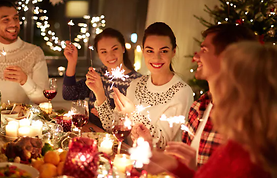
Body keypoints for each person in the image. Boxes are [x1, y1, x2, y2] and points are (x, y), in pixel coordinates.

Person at [146, 41, 276, 178]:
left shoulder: (248, 161)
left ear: (243, 92)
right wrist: (175, 166)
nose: (216, 85)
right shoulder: (239, 143)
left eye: (223, 77)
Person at [160, 24, 258, 170]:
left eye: (204, 50)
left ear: (227, 58)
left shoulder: (245, 121)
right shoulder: (198, 107)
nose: (195, 57)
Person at [96, 22, 194, 148]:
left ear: (173, 51)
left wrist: (133, 113)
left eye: (163, 51)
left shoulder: (182, 92)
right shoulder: (137, 84)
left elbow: (161, 144)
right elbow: (113, 127)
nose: (156, 58)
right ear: (143, 51)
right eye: (150, 51)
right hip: (131, 159)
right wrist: (99, 93)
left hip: (159, 165)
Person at [62, 28, 141, 129]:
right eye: (104, 52)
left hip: (119, 139)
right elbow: (69, 94)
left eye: (115, 49)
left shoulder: (138, 81)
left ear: (123, 48)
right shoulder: (97, 76)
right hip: (92, 133)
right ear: (98, 54)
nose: (110, 55)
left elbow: (137, 120)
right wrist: (72, 62)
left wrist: (106, 114)